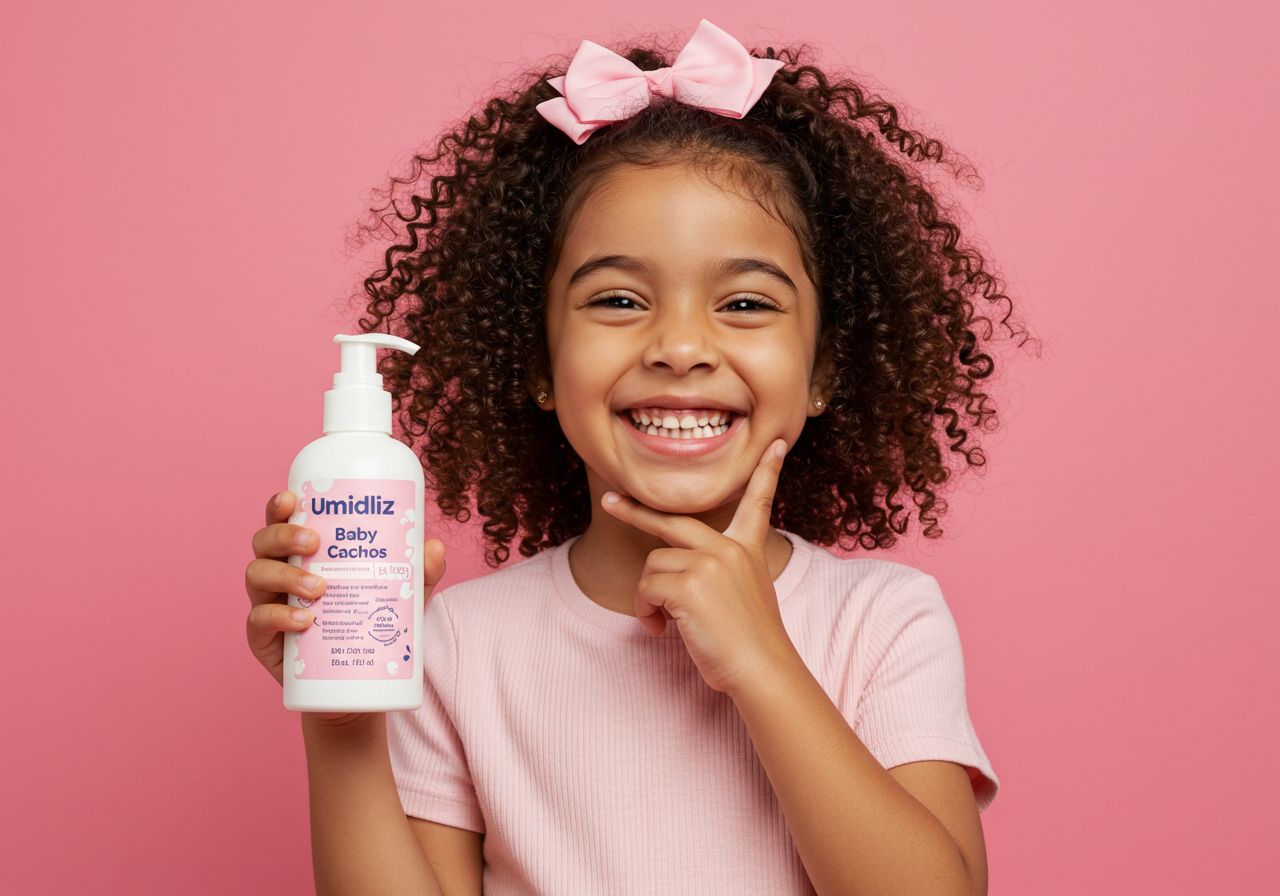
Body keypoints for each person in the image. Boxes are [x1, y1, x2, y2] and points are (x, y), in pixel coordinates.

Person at [245, 19, 1025, 896]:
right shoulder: (459, 647)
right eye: (618, 298)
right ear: (539, 363)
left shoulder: (882, 622)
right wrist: (341, 706)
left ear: (824, 370)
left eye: (745, 303)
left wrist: (763, 663)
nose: (681, 346)